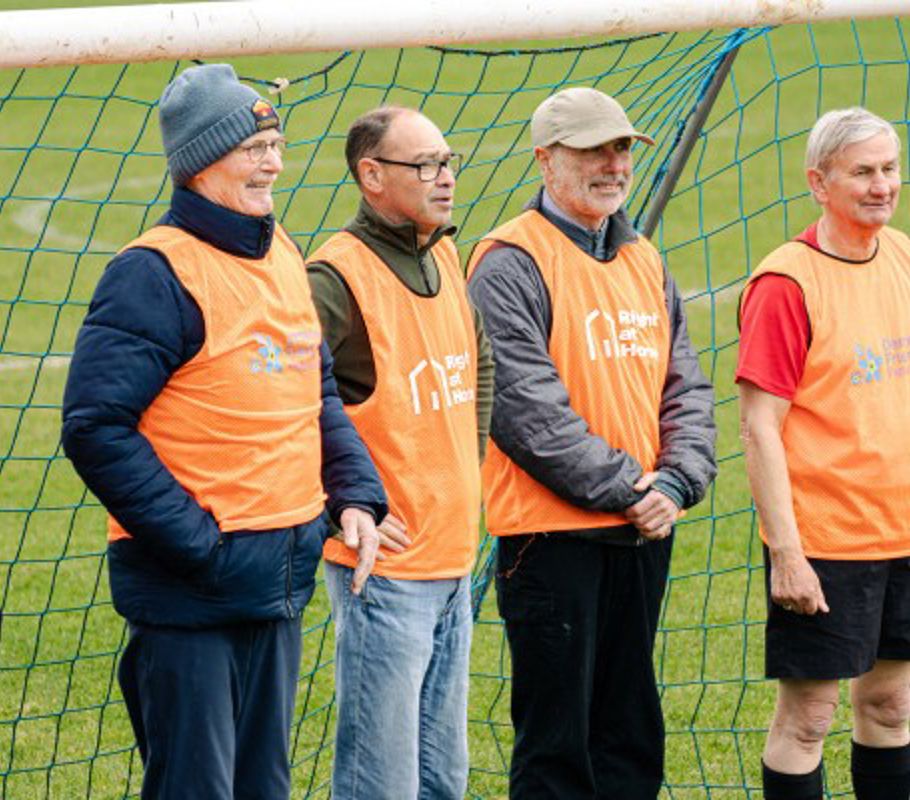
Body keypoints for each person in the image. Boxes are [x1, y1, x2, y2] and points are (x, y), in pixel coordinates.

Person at [60, 63, 387, 800]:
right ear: (202, 161)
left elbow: (316, 390)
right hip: (192, 598)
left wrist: (355, 493)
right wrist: (200, 545)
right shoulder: (152, 273)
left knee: (262, 787)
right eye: (253, 148)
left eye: (276, 145)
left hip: (276, 585)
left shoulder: (283, 252)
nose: (273, 164)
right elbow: (94, 426)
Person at [466, 87, 717, 799]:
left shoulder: (643, 257)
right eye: (592, 150)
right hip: (552, 541)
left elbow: (687, 388)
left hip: (644, 530)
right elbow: (526, 410)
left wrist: (676, 483)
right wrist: (631, 490)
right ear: (545, 160)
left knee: (629, 735)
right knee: (558, 748)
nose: (614, 164)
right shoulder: (508, 262)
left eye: (622, 147)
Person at [305, 105, 494, 799]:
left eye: (448, 161)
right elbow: (282, 398)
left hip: (452, 556)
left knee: (444, 779)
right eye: (425, 165)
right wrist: (337, 505)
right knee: (380, 783)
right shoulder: (333, 278)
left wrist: (462, 471)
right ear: (372, 175)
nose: (445, 178)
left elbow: (481, 362)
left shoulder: (442, 251)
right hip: (383, 570)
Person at [737, 106, 910, 800]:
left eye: (890, 168)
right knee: (808, 717)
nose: (882, 185)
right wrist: (788, 553)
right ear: (818, 182)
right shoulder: (786, 283)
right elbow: (758, 428)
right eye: (862, 172)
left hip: (902, 531)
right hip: (827, 540)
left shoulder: (902, 256)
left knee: (891, 705)